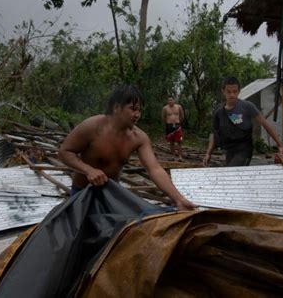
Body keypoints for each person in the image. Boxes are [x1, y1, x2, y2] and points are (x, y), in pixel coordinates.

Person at [59, 84, 196, 211]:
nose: (137, 115)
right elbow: (64, 152)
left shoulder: (139, 138)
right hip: (82, 193)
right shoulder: (93, 127)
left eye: (140, 110)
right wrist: (88, 170)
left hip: (111, 194)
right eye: (133, 109)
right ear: (117, 107)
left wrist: (179, 199)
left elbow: (155, 169)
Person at [203, 76, 283, 167]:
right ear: (223, 91)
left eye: (235, 91)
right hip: (229, 151)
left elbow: (265, 124)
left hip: (244, 150)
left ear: (239, 91)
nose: (232, 95)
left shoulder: (246, 106)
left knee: (233, 172)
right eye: (228, 92)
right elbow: (214, 134)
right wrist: (208, 153)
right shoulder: (219, 111)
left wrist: (280, 145)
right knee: (231, 176)